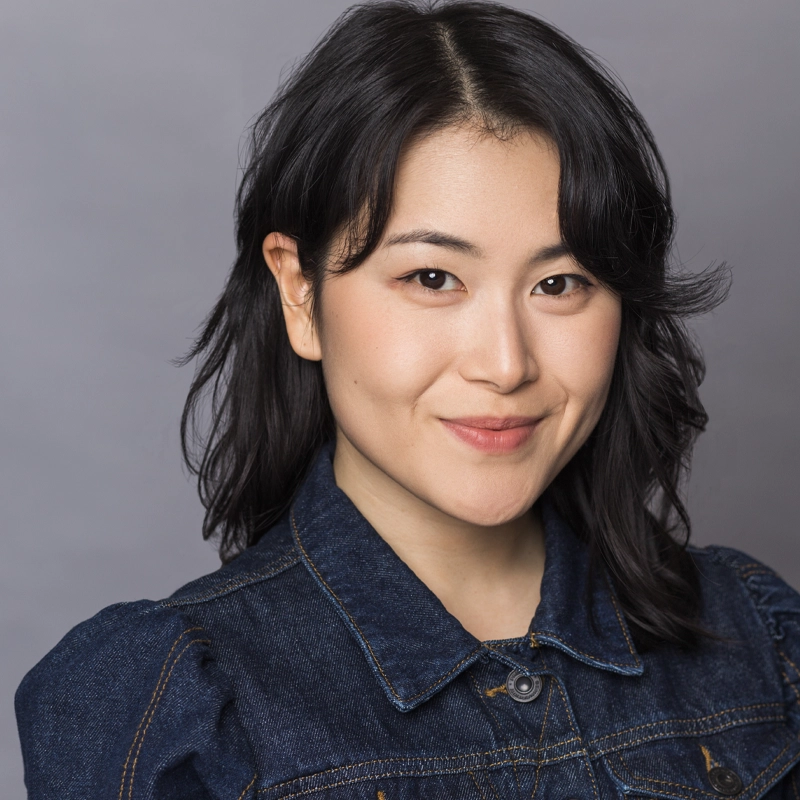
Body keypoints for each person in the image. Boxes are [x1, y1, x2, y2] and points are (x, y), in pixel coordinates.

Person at [15, 0, 800, 797]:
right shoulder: (172, 703)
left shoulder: (758, 633)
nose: (505, 364)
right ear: (299, 291)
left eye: (560, 284)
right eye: (432, 279)